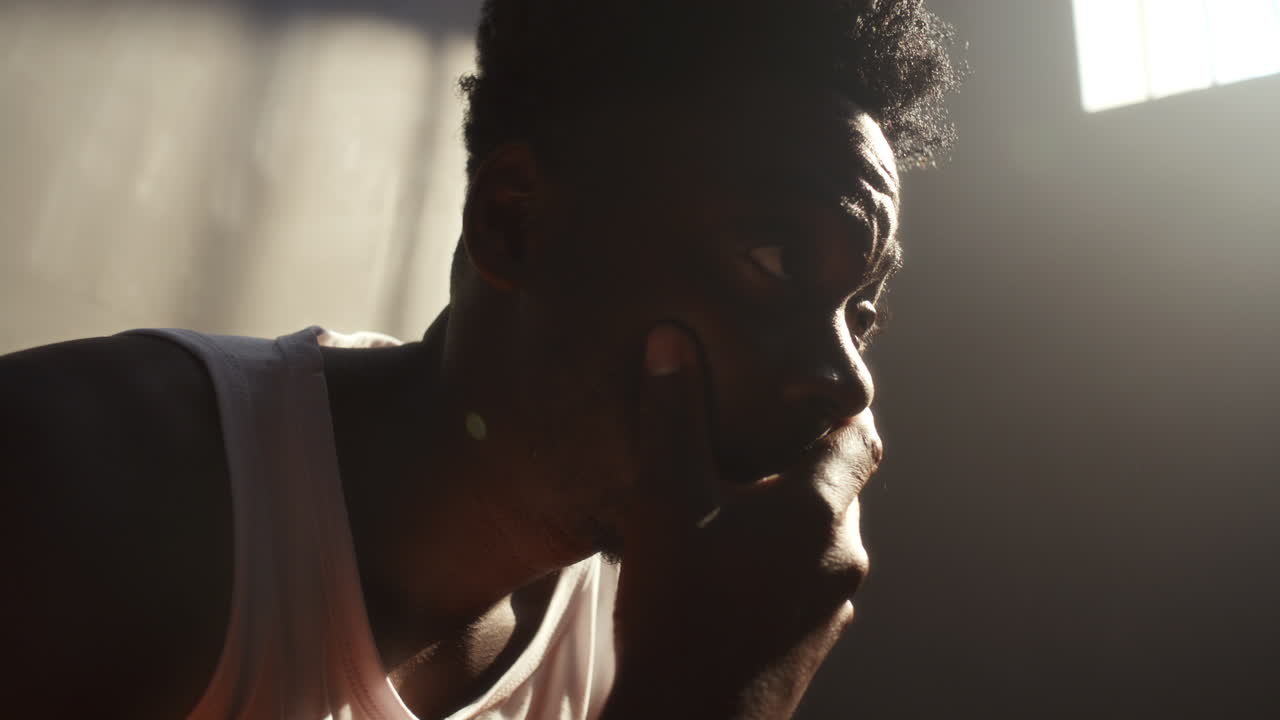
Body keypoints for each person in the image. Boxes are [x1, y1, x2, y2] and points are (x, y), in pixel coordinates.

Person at [0, 0, 962, 717]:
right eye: (776, 260)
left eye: (859, 311)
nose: (846, 381)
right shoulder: (76, 486)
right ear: (516, 220)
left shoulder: (669, 612)